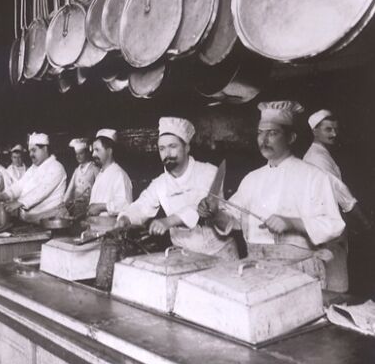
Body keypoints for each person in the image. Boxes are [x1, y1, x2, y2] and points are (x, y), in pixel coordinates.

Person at [199, 101, 345, 281]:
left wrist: (292, 223)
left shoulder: (313, 176)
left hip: (300, 273)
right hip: (256, 270)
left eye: (272, 133)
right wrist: (213, 214)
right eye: (260, 133)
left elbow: (334, 224)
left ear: (291, 137)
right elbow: (232, 219)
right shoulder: (252, 179)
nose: (264, 140)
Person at [116, 117, 237, 258]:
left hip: (219, 254)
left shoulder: (208, 172)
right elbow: (142, 206)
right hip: (183, 257)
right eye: (162, 149)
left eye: (173, 147)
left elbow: (201, 206)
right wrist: (126, 218)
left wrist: (169, 221)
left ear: (187, 148)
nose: (167, 154)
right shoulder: (160, 183)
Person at [302, 109, 371, 291]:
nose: (334, 134)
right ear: (314, 131)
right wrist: (365, 222)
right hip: (327, 227)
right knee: (336, 281)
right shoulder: (316, 158)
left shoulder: (322, 154)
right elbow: (342, 193)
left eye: (335, 129)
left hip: (329, 224)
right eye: (328, 129)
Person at [0, 132, 67, 224]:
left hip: (51, 220)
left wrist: (19, 203)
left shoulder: (56, 167)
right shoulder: (34, 168)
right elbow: (20, 184)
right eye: (30, 151)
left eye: (34, 150)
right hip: (32, 220)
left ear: (45, 149)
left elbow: (41, 190)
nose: (31, 154)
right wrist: (5, 195)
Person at [87, 129, 132, 218]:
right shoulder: (100, 174)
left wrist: (100, 207)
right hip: (96, 228)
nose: (93, 154)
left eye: (97, 150)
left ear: (109, 151)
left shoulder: (119, 174)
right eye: (93, 151)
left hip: (110, 230)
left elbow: (125, 205)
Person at [63, 138, 99, 218]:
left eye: (81, 154)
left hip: (89, 207)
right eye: (76, 154)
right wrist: (64, 203)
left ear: (87, 153)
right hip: (76, 208)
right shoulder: (77, 170)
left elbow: (99, 189)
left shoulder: (94, 169)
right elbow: (70, 189)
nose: (78, 156)